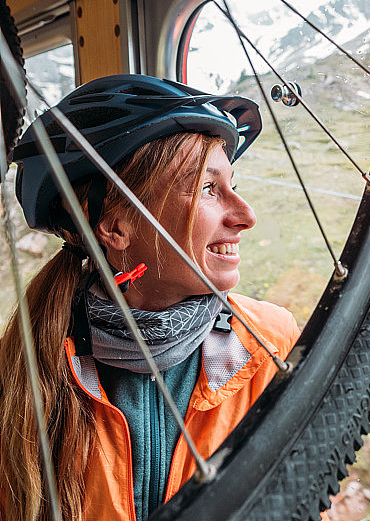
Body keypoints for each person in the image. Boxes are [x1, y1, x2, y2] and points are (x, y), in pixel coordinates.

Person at [0, 74, 300, 521]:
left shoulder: (269, 343)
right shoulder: (26, 375)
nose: (245, 216)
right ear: (116, 227)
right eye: (206, 188)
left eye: (234, 186)